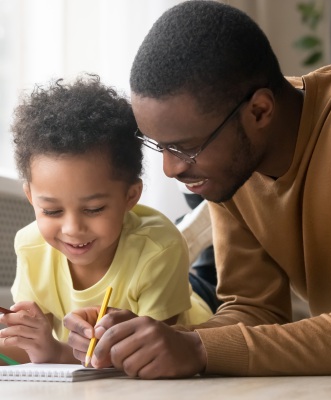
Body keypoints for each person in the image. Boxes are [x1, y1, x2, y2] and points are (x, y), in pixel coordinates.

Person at [64, 0, 331, 378]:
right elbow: (254, 311)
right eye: (161, 146)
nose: (172, 168)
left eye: (187, 147)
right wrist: (151, 343)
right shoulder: (233, 168)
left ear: (259, 111)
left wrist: (196, 347)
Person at [0, 74, 213, 365]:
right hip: (161, 285)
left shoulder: (159, 248)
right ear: (30, 196)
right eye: (51, 211)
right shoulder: (29, 245)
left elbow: (153, 356)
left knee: (211, 270)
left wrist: (55, 351)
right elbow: (30, 350)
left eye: (94, 209)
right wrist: (32, 343)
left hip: (195, 314)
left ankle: (207, 208)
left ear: (130, 196)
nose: (73, 229)